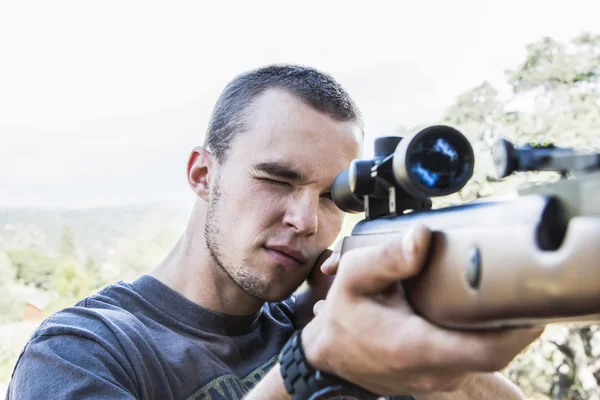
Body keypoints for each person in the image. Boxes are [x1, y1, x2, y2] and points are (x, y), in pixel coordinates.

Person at [6, 64, 542, 400]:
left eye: (332, 196)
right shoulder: (82, 350)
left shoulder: (322, 320)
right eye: (276, 179)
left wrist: (435, 360)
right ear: (202, 174)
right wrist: (310, 366)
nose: (306, 220)